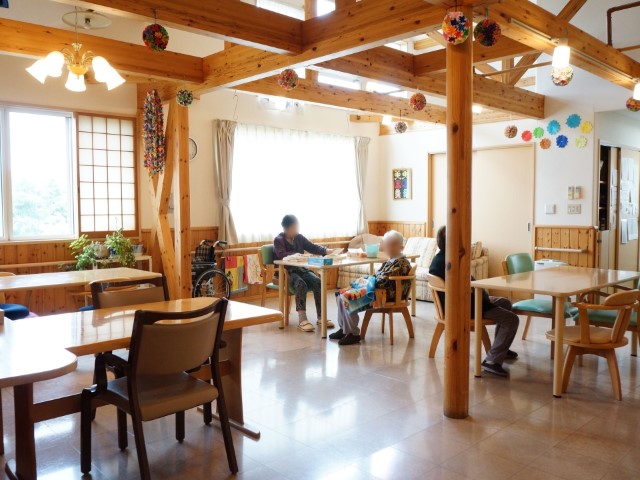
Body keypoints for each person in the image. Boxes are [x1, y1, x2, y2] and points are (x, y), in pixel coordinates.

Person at [429, 226, 519, 377]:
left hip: (466, 302)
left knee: (505, 303)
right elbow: (465, 289)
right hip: (467, 307)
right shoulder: (450, 262)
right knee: (512, 319)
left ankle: (500, 348)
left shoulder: (442, 258)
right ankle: (492, 361)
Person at [330, 230, 412, 346]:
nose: (388, 248)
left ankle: (353, 333)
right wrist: (366, 280)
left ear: (401, 247)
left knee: (347, 297)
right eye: (387, 245)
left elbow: (384, 280)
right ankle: (344, 329)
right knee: (340, 294)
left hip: (384, 295)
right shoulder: (391, 260)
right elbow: (377, 275)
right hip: (376, 290)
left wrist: (367, 281)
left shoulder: (402, 263)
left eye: (392, 245)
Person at [273, 214, 336, 332]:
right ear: (289, 228)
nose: (298, 228)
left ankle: (321, 317)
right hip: (286, 272)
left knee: (318, 281)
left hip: (301, 269)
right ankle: (302, 320)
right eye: (296, 226)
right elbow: (281, 255)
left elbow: (312, 247)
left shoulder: (299, 238)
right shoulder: (278, 240)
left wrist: (326, 251)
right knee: (301, 284)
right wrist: (297, 255)